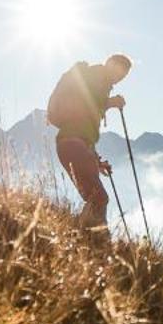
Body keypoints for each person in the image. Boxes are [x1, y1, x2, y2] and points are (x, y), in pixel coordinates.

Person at [47, 53, 132, 228]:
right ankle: (90, 240)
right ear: (109, 63)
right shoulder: (95, 75)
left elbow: (85, 132)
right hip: (71, 144)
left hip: (73, 144)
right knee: (98, 198)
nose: (119, 78)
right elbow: (87, 101)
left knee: (96, 197)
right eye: (119, 72)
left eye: (123, 77)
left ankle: (81, 236)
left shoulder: (101, 84)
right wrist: (111, 102)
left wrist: (97, 161)